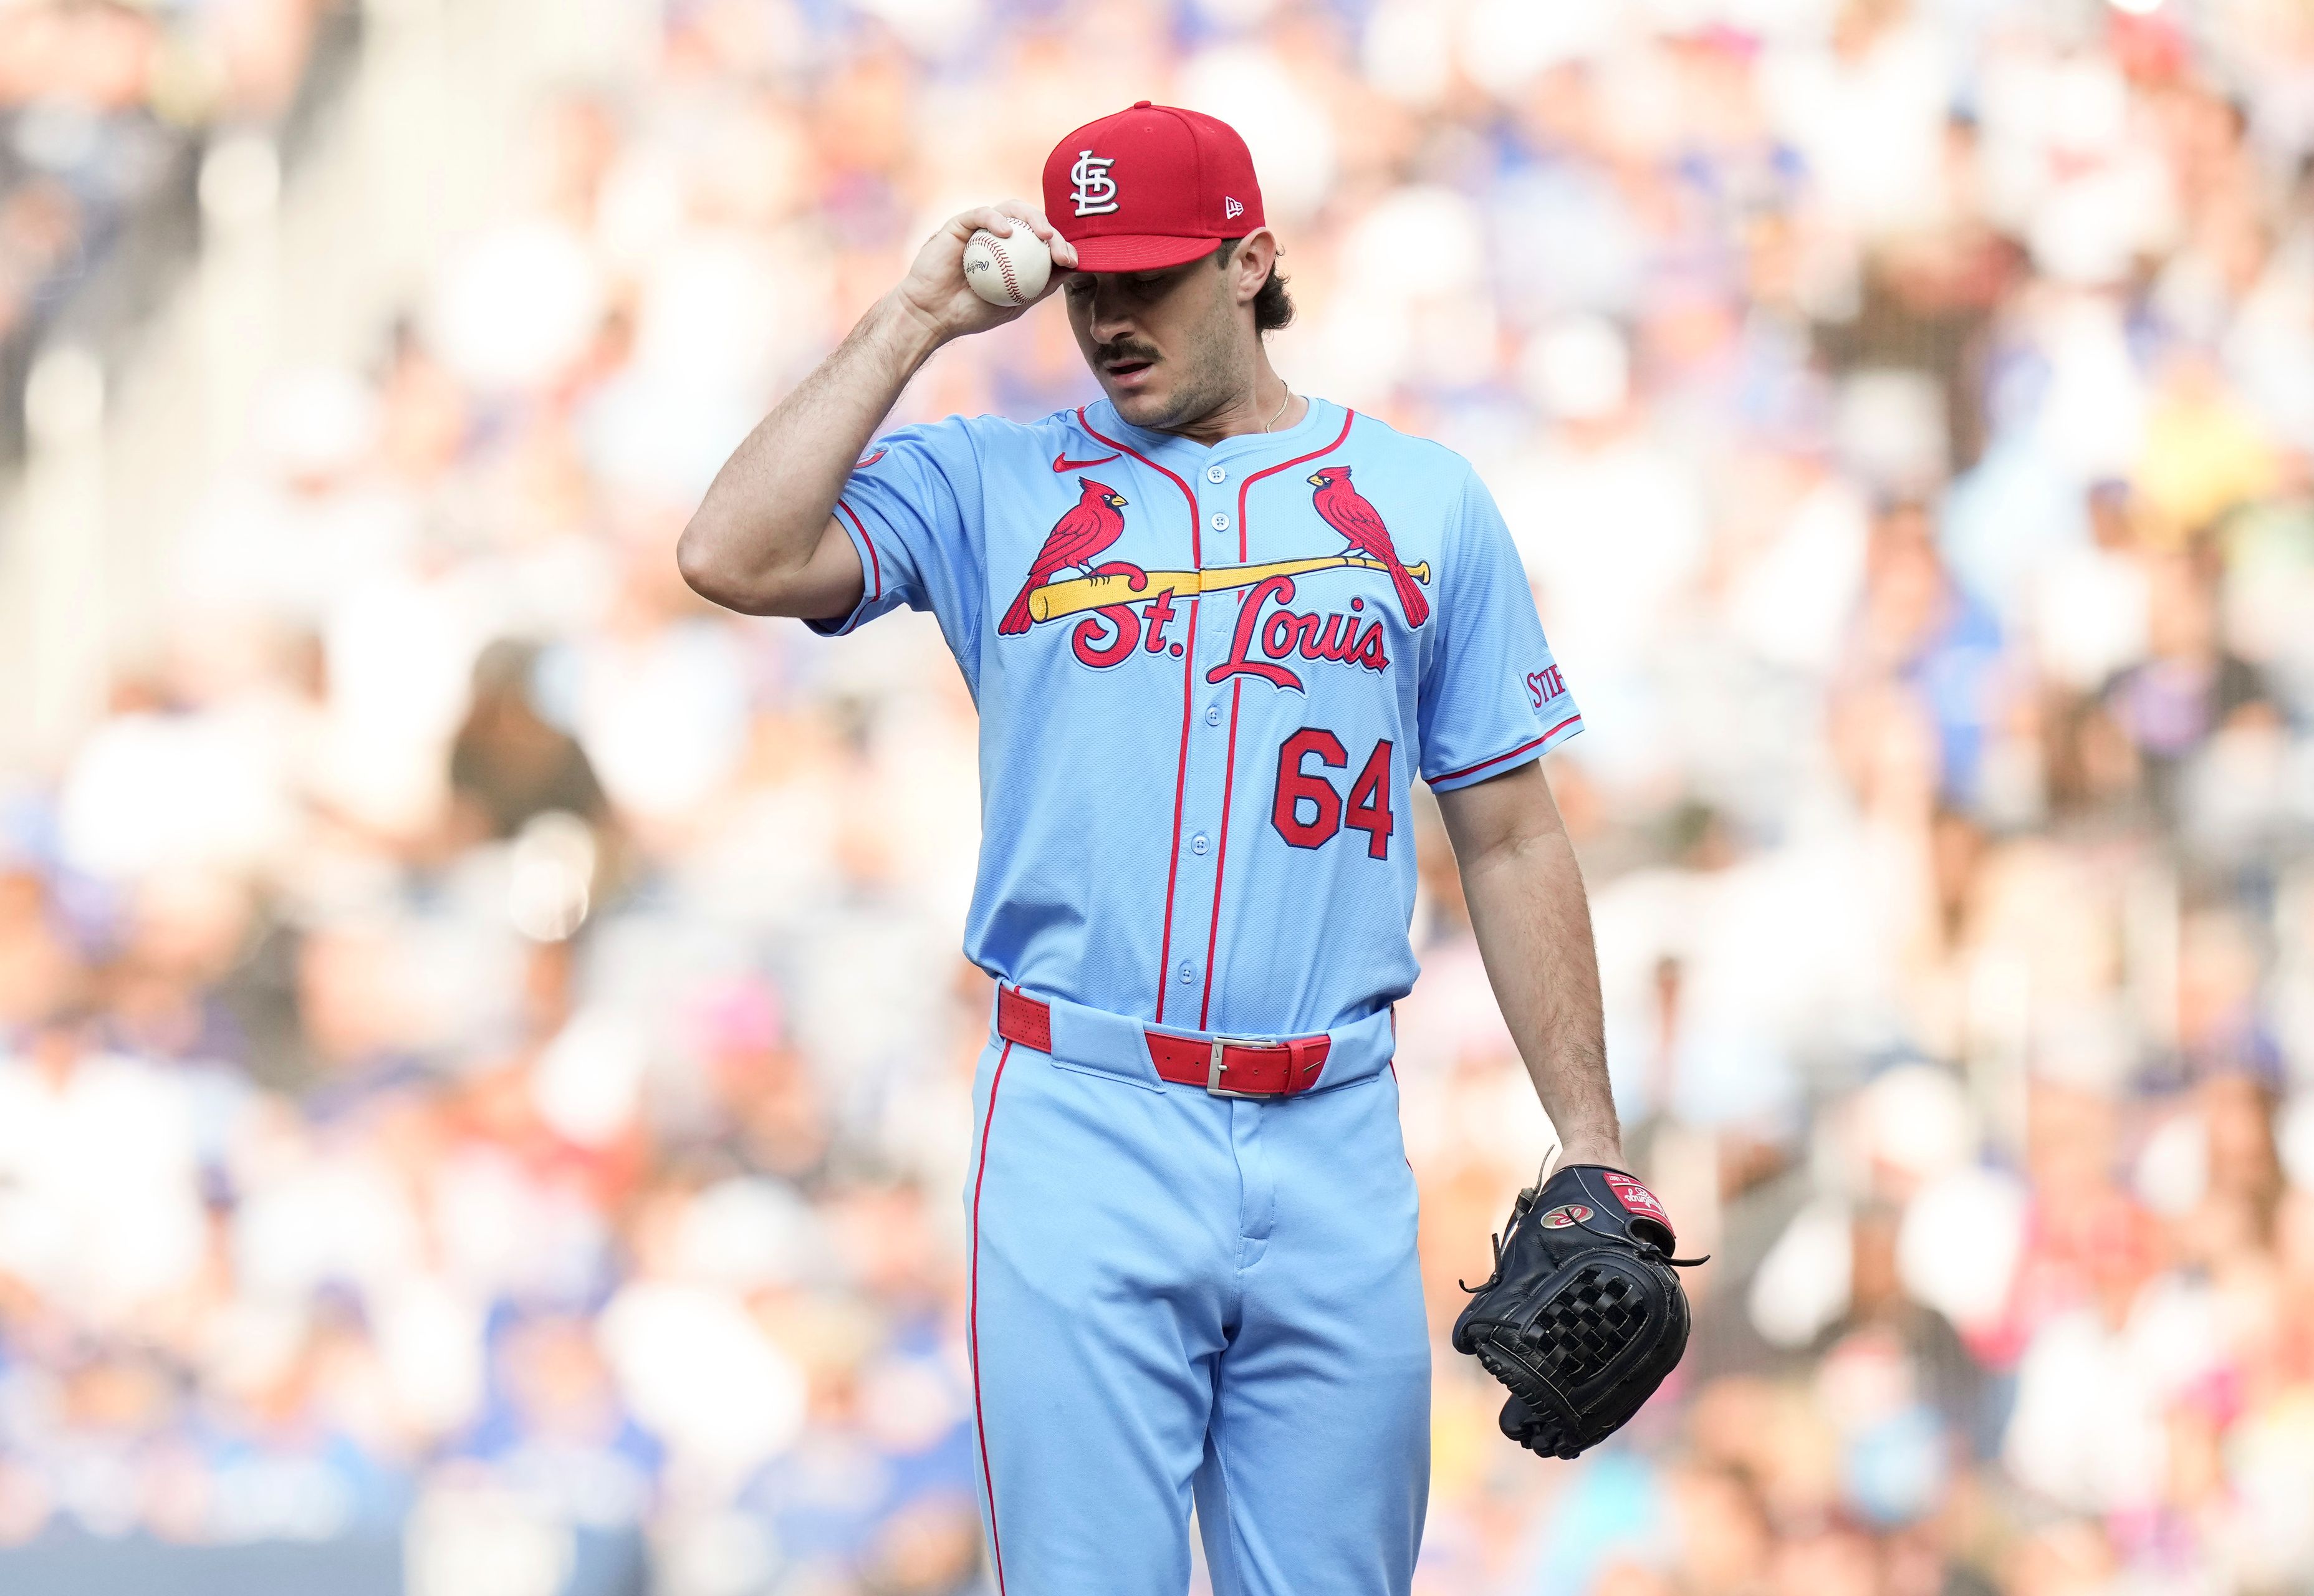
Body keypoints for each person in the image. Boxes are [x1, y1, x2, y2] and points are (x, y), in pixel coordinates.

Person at [678, 102, 1628, 1596]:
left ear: (1251, 259)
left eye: (1157, 275)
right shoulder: (991, 478)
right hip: (1083, 1116)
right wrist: (917, 315)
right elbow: (730, 551)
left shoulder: (1423, 499)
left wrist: (1591, 1135)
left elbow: (1508, 836)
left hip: (1333, 1127)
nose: (1112, 314)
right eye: (1089, 280)